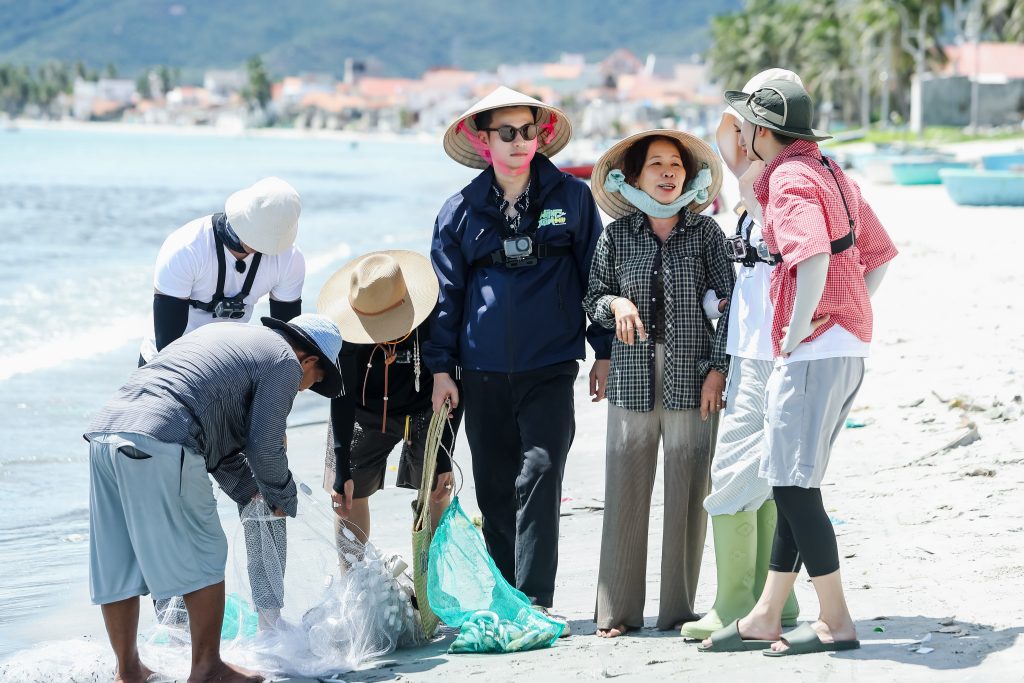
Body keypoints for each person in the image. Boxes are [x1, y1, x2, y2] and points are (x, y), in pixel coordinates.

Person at [700, 80, 896, 655]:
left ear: (761, 131)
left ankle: (835, 618)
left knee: (790, 486)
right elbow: (878, 253)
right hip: (847, 345)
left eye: (744, 127)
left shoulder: (785, 177)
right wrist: (846, 311)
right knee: (796, 483)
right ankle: (766, 612)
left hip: (812, 352)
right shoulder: (830, 169)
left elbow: (808, 256)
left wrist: (795, 329)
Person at [423, 87, 612, 624]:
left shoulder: (572, 199)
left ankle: (534, 599)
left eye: (527, 131)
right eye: (505, 132)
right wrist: (440, 369)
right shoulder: (458, 211)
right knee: (494, 486)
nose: (518, 142)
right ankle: (505, 600)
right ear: (483, 140)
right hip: (479, 372)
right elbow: (445, 296)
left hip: (551, 365)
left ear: (539, 136)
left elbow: (595, 278)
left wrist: (603, 350)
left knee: (542, 472)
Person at [85, 314, 342, 683]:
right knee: (206, 551)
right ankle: (208, 668)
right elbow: (264, 448)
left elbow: (217, 444)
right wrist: (282, 495)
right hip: (163, 435)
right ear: (310, 360)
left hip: (105, 434)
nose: (303, 390)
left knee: (119, 564)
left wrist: (253, 493)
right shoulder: (284, 361)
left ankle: (128, 670)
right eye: (312, 383)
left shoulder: (228, 337)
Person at [584, 130, 734, 637]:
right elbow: (594, 299)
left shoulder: (708, 234)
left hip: (695, 380)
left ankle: (678, 613)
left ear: (689, 178)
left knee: (689, 494)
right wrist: (617, 305)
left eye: (676, 164)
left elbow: (732, 307)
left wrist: (719, 369)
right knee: (625, 491)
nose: (668, 172)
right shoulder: (617, 235)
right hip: (630, 378)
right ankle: (618, 613)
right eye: (656, 164)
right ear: (635, 176)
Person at [138, 176, 305, 630]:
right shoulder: (184, 249)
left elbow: (284, 348)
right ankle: (172, 626)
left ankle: (270, 617)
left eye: (261, 250)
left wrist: (274, 423)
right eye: (246, 247)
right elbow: (169, 351)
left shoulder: (288, 260)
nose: (251, 257)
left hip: (235, 387)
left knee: (263, 496)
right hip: (168, 390)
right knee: (174, 505)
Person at [680, 68, 804, 641]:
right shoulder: (784, 176)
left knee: (736, 468)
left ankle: (736, 604)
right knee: (769, 470)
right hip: (761, 345)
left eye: (752, 118)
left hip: (765, 348)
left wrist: (739, 115)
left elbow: (725, 135)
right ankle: (774, 602)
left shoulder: (770, 181)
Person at [317, 250, 463, 543]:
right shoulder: (343, 333)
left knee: (436, 488)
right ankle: (355, 580)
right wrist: (341, 467)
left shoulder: (434, 315)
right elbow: (342, 398)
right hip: (362, 411)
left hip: (427, 408)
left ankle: (429, 576)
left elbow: (454, 384)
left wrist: (445, 460)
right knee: (348, 494)